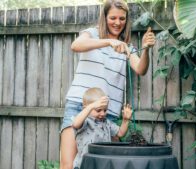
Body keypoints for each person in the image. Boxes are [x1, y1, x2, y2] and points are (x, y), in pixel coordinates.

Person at [59, 0, 156, 168]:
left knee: (99, 166)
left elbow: (141, 69)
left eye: (122, 18)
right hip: (79, 108)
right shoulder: (92, 34)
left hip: (106, 114)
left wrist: (146, 48)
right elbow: (76, 45)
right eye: (113, 18)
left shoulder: (127, 47)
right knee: (68, 165)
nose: (117, 23)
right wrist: (108, 42)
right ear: (104, 17)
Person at [72, 87, 132, 169]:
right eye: (98, 110)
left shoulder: (106, 122)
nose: (103, 113)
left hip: (102, 164)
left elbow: (120, 133)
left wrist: (125, 120)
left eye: (105, 110)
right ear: (86, 108)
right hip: (84, 164)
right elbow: (75, 124)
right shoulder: (85, 121)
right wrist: (91, 106)